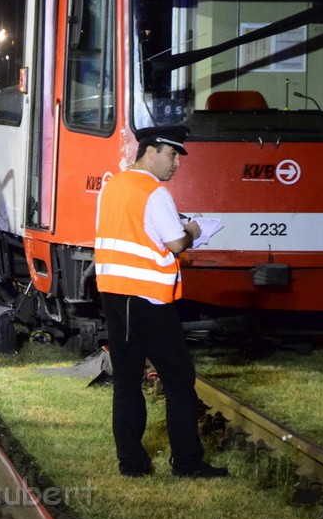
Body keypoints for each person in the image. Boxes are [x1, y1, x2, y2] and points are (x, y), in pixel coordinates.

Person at [94, 125, 228, 479]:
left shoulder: (112, 187)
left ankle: (132, 464)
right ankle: (187, 463)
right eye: (172, 155)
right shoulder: (154, 193)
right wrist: (194, 230)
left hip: (113, 294)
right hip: (148, 299)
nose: (176, 165)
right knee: (179, 380)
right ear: (150, 151)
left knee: (126, 380)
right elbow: (176, 244)